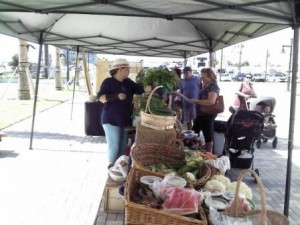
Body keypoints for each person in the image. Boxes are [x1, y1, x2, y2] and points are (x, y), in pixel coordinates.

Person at [97, 58, 151, 168]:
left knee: (122, 146)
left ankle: (119, 168)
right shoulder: (108, 82)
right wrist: (115, 96)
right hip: (111, 119)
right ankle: (111, 169)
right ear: (120, 69)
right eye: (127, 68)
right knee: (115, 145)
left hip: (124, 119)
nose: (129, 71)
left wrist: (150, 87)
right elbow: (101, 98)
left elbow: (140, 89)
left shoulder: (128, 82)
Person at [188, 68, 220, 153]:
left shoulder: (213, 86)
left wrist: (196, 101)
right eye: (201, 76)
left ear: (210, 76)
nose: (201, 78)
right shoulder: (206, 85)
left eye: (203, 76)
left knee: (207, 135)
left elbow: (211, 101)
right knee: (194, 133)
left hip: (207, 115)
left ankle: (208, 155)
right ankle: (194, 150)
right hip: (201, 114)